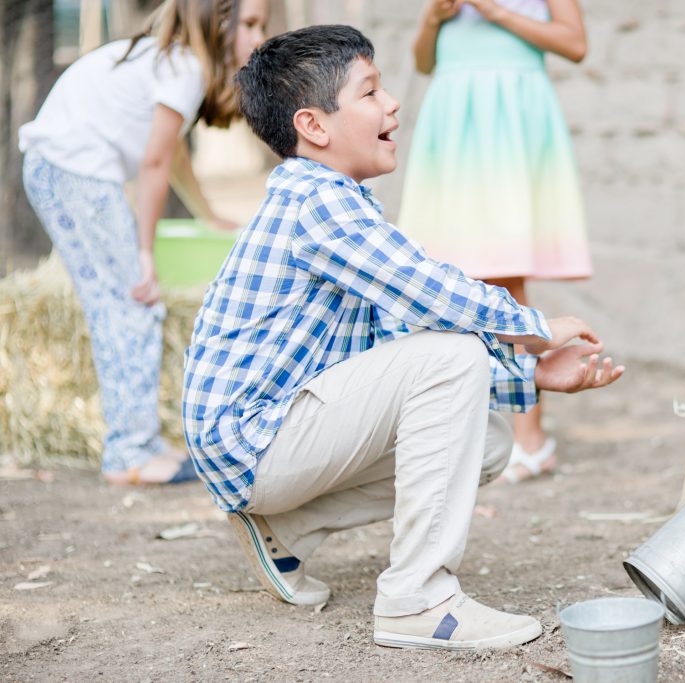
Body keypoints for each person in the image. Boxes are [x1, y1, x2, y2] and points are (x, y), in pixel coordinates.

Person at [182, 24, 622, 651]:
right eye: (370, 92)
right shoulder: (317, 203)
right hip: (254, 439)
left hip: (265, 443)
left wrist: (531, 376)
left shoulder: (339, 202)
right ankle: (417, 600)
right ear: (314, 126)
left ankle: (287, 529)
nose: (391, 104)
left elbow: (397, 336)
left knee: (490, 436)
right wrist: (531, 326)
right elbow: (428, 291)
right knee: (455, 351)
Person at [19, 0, 268, 485]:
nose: (259, 36)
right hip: (76, 172)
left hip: (62, 168)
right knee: (133, 303)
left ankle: (142, 441)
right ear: (218, 25)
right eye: (252, 25)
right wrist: (144, 256)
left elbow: (170, 153)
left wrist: (208, 214)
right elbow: (154, 164)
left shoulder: (171, 62)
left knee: (124, 303)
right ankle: (130, 452)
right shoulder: (185, 70)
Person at [399, 0, 591, 484]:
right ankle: (478, 427)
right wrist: (434, 17)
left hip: (508, 120)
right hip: (453, 119)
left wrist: (496, 11)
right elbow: (424, 61)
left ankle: (531, 438)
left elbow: (575, 44)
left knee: (503, 277)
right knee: (453, 274)